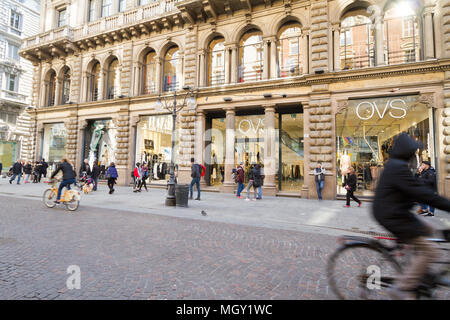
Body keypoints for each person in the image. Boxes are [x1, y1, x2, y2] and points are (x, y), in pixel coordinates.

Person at [372, 133, 450, 300]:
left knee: (430, 229)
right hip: (392, 216)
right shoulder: (398, 168)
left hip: (396, 211)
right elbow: (422, 194)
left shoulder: (397, 165)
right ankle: (402, 287)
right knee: (432, 252)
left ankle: (420, 269)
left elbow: (415, 189)